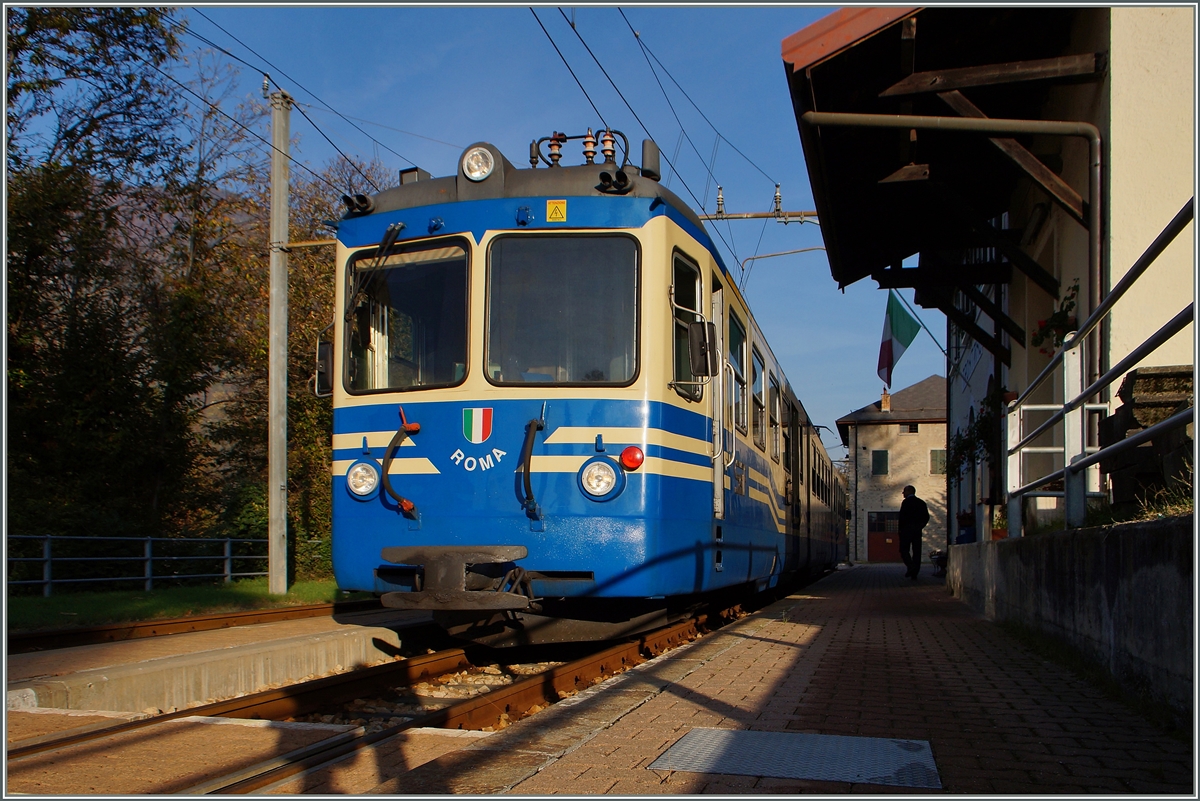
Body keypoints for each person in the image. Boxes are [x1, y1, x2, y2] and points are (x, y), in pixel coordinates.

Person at [898, 485, 929, 580]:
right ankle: (914, 572)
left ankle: (911, 566)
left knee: (903, 550)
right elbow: (926, 517)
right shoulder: (921, 503)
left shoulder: (906, 503)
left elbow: (902, 517)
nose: (903, 493)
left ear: (909, 491)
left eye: (904, 491)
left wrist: (900, 530)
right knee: (917, 551)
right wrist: (920, 526)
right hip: (917, 531)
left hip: (906, 531)